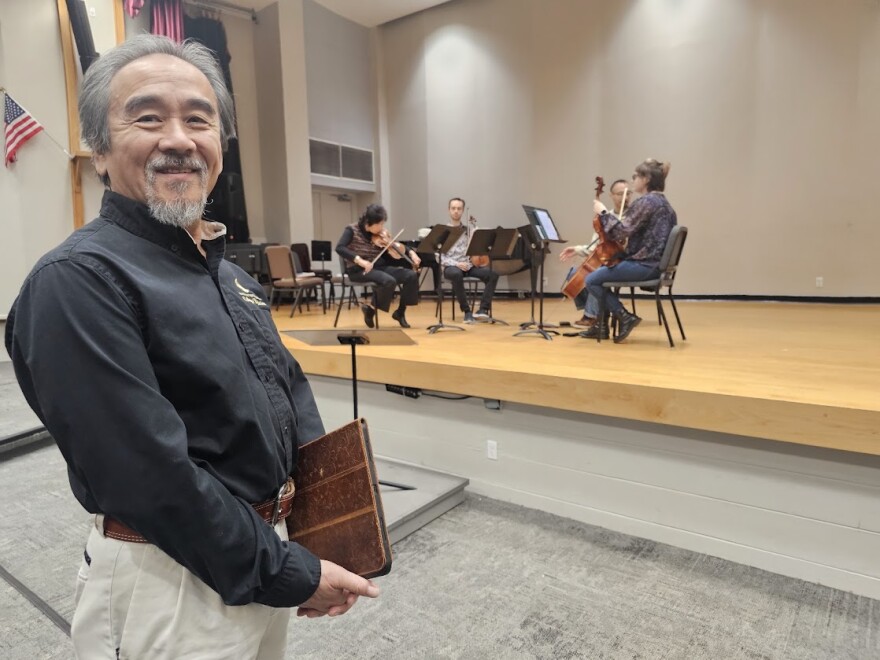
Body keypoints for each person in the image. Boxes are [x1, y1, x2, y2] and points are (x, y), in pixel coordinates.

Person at [4, 35, 379, 659]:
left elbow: (288, 395)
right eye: (147, 117)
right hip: (167, 576)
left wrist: (313, 535)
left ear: (219, 151)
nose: (178, 138)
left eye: (198, 119)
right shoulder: (77, 282)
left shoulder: (228, 274)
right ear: (99, 149)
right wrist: (289, 573)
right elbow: (148, 478)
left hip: (261, 553)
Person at [580, 159, 677, 342]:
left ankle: (624, 316)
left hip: (644, 265)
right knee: (602, 273)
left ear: (646, 179)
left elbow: (618, 231)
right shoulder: (665, 204)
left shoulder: (646, 202)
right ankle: (603, 326)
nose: (633, 181)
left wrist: (603, 212)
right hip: (655, 265)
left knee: (591, 279)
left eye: (635, 176)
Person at [559, 179, 633, 327]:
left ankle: (591, 316)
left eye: (628, 193)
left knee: (595, 273)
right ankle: (600, 312)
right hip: (607, 259)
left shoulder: (634, 216)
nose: (625, 197)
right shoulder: (605, 217)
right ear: (611, 196)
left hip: (624, 261)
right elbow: (597, 247)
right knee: (574, 272)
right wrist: (577, 249)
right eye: (620, 194)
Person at [336, 203, 421, 328]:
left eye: (383, 224)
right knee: (389, 281)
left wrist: (412, 253)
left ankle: (400, 312)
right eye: (379, 224)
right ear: (368, 223)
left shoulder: (380, 234)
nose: (382, 227)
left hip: (377, 268)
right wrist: (360, 260)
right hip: (358, 270)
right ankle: (371, 309)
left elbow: (397, 246)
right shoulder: (351, 230)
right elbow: (340, 248)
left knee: (411, 275)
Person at [440, 197, 499, 323]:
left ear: (462, 211)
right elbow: (438, 256)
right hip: (451, 267)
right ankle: (467, 311)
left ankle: (483, 309)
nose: (456, 211)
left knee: (493, 275)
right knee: (456, 274)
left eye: (459, 209)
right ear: (449, 210)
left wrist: (477, 238)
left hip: (468, 266)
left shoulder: (468, 230)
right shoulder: (442, 231)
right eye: (453, 208)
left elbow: (477, 251)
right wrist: (457, 264)